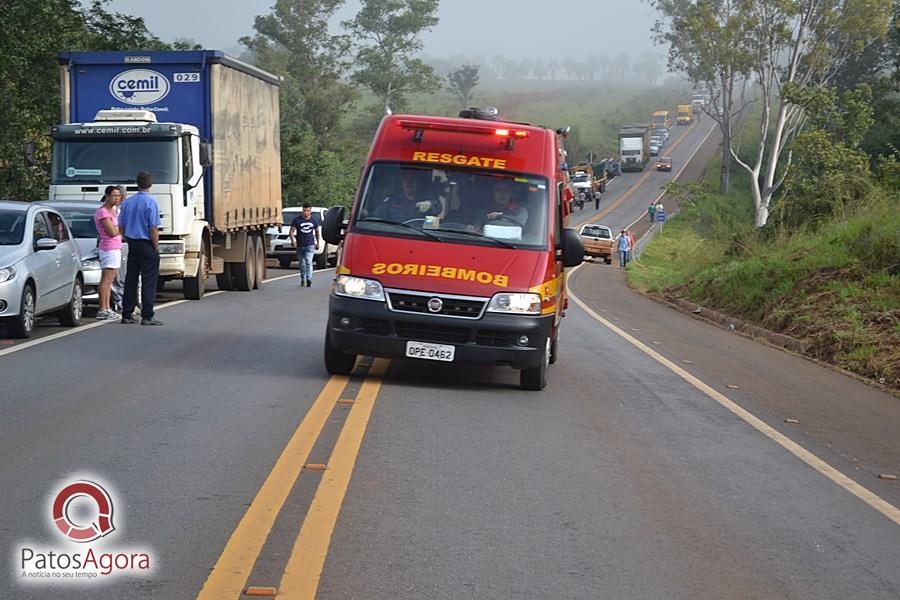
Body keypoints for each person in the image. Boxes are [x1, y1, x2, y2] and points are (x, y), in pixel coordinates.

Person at [118, 171, 163, 326]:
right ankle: (147, 315)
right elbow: (153, 228)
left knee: (131, 279)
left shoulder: (127, 203)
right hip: (147, 244)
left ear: (137, 183)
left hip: (132, 243)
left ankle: (127, 313)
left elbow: (121, 225)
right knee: (148, 280)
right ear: (150, 184)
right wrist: (155, 246)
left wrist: (126, 237)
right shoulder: (151, 203)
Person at [93, 186, 123, 320]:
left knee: (110, 280)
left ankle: (107, 307)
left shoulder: (113, 211)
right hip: (108, 248)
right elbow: (112, 231)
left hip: (116, 247)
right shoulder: (103, 212)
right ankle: (102, 308)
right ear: (107, 196)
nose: (116, 198)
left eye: (118, 196)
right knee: (106, 279)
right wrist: (121, 227)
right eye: (114, 196)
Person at [372, 169, 442, 223]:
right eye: (406, 179)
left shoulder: (426, 198)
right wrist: (367, 215)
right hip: (394, 234)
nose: (409, 182)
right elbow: (377, 216)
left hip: (419, 236)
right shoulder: (392, 200)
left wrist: (429, 205)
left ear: (418, 182)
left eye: (413, 179)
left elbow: (437, 207)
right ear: (402, 182)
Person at [289, 203, 321, 287]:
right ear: (302, 210)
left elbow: (317, 232)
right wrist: (293, 240)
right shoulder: (297, 220)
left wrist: (318, 243)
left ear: (310, 211)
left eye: (308, 211)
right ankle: (303, 278)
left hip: (310, 244)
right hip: (300, 245)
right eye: (304, 210)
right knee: (302, 263)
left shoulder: (314, 220)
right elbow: (291, 231)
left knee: (308, 261)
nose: (306, 212)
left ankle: (309, 278)